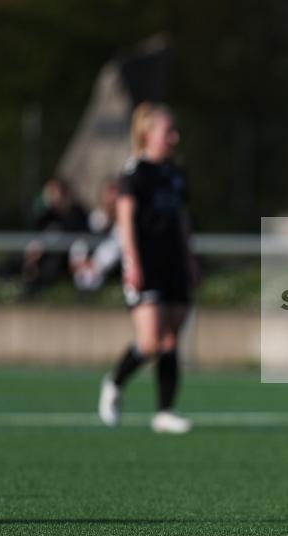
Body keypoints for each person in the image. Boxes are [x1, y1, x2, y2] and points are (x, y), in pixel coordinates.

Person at [98, 103, 198, 434]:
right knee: (152, 340)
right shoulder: (135, 172)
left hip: (173, 262)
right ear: (148, 134)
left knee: (172, 336)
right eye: (168, 131)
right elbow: (125, 220)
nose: (175, 137)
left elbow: (182, 220)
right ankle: (114, 382)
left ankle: (164, 411)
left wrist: (189, 259)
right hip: (147, 263)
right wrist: (133, 262)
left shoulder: (176, 172)